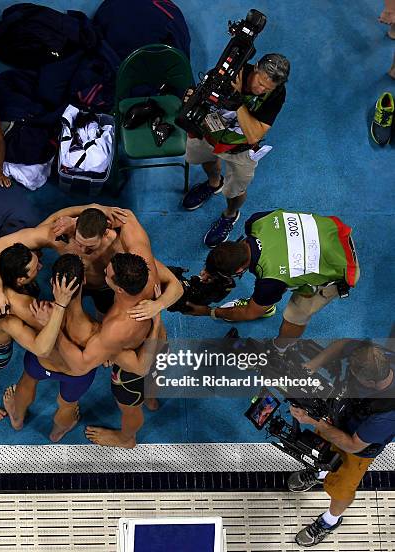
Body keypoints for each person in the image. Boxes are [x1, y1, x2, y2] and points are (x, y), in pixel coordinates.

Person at [2, 253, 163, 443]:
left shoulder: (36, 310)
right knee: (67, 405)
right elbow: (136, 365)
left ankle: (17, 418)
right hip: (75, 377)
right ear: (84, 280)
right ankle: (57, 433)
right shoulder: (98, 333)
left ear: (53, 282)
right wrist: (158, 315)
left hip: (41, 363)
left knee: (26, 383)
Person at [55, 211, 176, 448]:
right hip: (158, 340)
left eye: (108, 274)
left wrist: (55, 324)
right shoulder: (145, 265)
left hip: (136, 365)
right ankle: (151, 399)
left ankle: (126, 438)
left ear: (118, 289)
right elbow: (127, 216)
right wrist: (76, 223)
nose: (104, 271)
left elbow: (82, 364)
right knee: (152, 381)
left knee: (129, 406)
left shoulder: (115, 329)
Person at [184, 209, 360, 354]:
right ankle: (267, 302)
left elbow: (249, 313)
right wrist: (213, 265)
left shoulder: (270, 281)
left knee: (295, 314)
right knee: (276, 287)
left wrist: (209, 311)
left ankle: (280, 349)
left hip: (341, 266)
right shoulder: (256, 221)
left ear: (239, 270)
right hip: (332, 232)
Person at [0, 204, 183, 321]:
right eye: (78, 243)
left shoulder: (122, 250)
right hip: (72, 281)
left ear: (105, 232)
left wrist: (159, 305)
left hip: (104, 288)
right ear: (75, 226)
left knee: (103, 314)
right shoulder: (60, 233)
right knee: (69, 316)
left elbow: (175, 285)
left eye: (89, 247)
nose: (81, 250)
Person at [286, 340, 395, 547]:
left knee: (342, 489)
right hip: (337, 418)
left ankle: (330, 521)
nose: (350, 375)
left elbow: (353, 445)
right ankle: (320, 473)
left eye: (355, 376)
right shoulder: (373, 355)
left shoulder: (387, 413)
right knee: (320, 453)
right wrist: (312, 366)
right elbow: (342, 345)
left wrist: (311, 420)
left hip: (358, 448)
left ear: (371, 382)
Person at [0, 242, 79, 422]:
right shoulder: (19, 311)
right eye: (35, 267)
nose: (41, 266)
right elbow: (42, 348)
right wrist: (60, 305)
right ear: (20, 280)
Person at [182, 54, 290, 247]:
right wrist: (191, 96)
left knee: (235, 190)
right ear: (256, 67)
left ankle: (230, 215)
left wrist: (238, 101)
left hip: (241, 148)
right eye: (260, 82)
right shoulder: (229, 73)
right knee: (206, 161)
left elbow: (254, 135)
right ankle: (214, 184)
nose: (261, 89)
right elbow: (200, 97)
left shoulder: (277, 94)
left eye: (267, 88)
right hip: (209, 133)